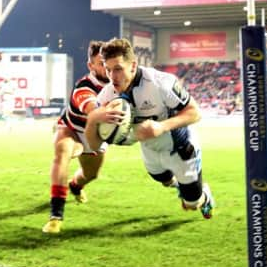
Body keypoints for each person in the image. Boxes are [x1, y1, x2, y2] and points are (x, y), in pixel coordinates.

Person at [84, 38, 215, 220]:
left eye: (118, 69)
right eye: (108, 70)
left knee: (191, 204)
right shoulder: (107, 96)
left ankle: (204, 196)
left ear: (133, 65)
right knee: (165, 180)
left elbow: (195, 113)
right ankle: (181, 187)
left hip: (180, 148)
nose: (112, 77)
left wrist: (161, 126)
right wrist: (92, 119)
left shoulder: (160, 83)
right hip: (150, 150)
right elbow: (94, 145)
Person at [42, 41, 110, 234]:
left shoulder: (119, 85)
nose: (105, 67)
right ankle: (56, 216)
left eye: (108, 62)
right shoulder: (84, 87)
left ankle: (75, 185)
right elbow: (93, 111)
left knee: (91, 175)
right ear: (91, 66)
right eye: (100, 63)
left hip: (96, 137)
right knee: (61, 153)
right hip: (72, 129)